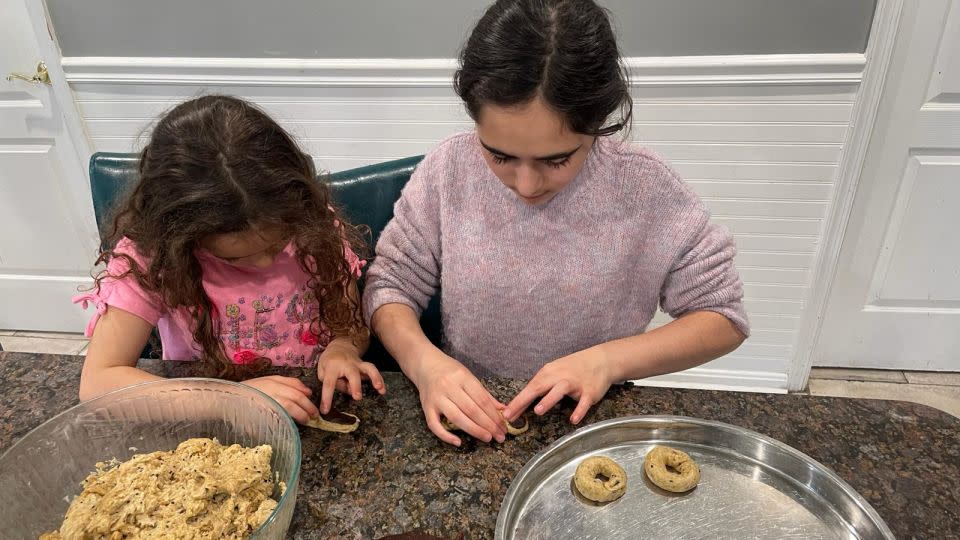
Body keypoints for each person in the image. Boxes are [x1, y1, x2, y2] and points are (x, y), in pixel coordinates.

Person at [363, 0, 748, 446]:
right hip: (471, 412)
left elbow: (723, 318)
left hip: (592, 420)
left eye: (557, 159)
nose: (526, 185)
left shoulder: (645, 188)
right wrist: (425, 365)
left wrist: (607, 362)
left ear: (598, 125)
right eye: (500, 156)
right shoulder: (448, 170)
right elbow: (389, 284)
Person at [74, 95, 385, 423]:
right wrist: (229, 400)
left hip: (306, 408)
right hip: (205, 417)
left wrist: (344, 348)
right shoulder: (151, 259)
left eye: (278, 243)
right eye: (236, 259)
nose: (266, 263)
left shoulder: (312, 227)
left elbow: (349, 324)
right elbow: (98, 383)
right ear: (181, 238)